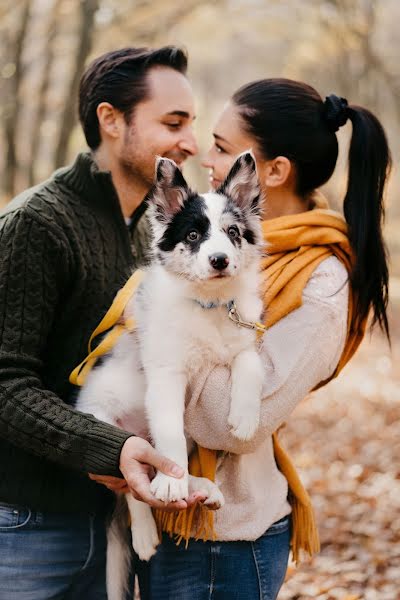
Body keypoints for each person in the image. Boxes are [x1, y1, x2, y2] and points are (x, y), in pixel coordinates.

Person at [140, 79, 391, 599]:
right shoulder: (237, 252)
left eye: (223, 148)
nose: (206, 160)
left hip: (226, 538)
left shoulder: (321, 280)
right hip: (168, 515)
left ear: (271, 172)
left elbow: (230, 425)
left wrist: (156, 358)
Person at [0, 46, 204, 599]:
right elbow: (5, 383)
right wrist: (107, 447)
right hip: (24, 529)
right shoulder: (35, 225)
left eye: (192, 123)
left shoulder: (152, 234)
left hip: (111, 526)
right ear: (111, 121)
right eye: (173, 122)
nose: (190, 141)